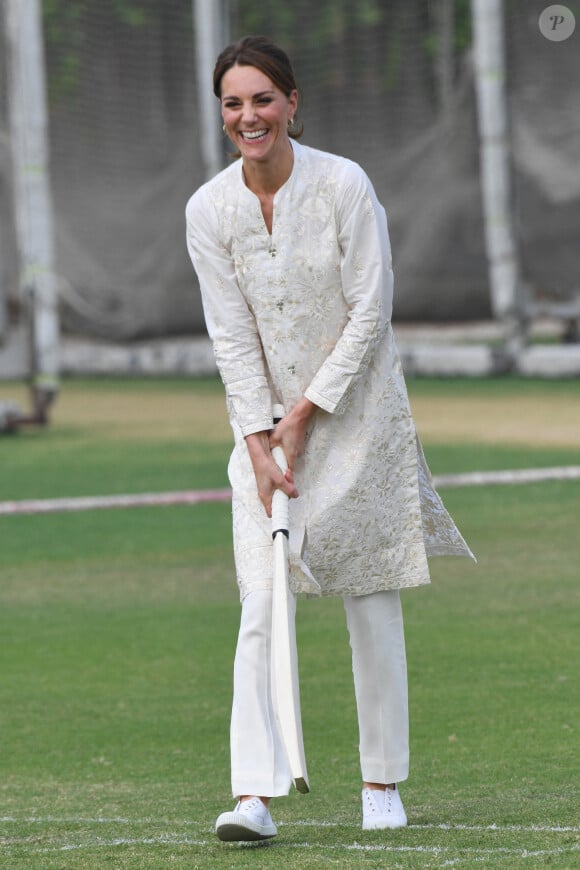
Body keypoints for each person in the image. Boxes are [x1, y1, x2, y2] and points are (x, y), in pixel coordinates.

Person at [185, 35, 474, 842]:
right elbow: (230, 336)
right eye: (235, 103)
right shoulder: (208, 210)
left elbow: (371, 310)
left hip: (358, 417)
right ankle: (254, 795)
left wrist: (306, 413)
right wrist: (256, 439)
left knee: (369, 600)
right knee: (259, 604)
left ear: (292, 103)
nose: (250, 116)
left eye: (263, 99)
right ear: (222, 113)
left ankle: (380, 782)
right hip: (265, 437)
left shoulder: (344, 185)